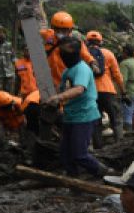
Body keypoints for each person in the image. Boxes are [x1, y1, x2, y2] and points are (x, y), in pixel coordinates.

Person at [45, 38, 106, 178]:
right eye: (61, 51)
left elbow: (79, 89)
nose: (63, 54)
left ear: (76, 52)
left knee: (79, 154)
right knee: (66, 153)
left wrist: (58, 98)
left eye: (66, 52)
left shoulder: (82, 69)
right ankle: (73, 180)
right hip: (71, 115)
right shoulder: (68, 71)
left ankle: (103, 172)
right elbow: (65, 89)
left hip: (84, 116)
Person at [85, 31, 125, 144]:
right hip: (108, 90)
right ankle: (120, 143)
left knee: (96, 121)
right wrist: (123, 91)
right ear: (100, 42)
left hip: (91, 92)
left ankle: (98, 147)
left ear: (87, 42)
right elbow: (117, 75)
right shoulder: (108, 53)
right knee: (116, 118)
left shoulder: (85, 54)